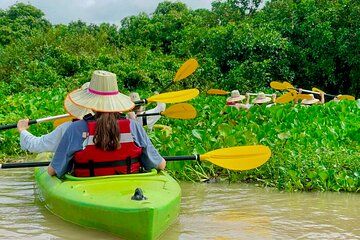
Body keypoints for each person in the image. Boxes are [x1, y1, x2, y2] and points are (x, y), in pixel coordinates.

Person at [48, 70, 166, 178]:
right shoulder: (133, 126)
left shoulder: (75, 129)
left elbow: (53, 171)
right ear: (116, 102)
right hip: (129, 189)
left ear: (90, 104)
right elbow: (159, 165)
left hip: (86, 190)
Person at [17, 82, 93, 153]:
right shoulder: (105, 127)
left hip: (78, 166)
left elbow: (37, 145)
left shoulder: (68, 127)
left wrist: (22, 130)